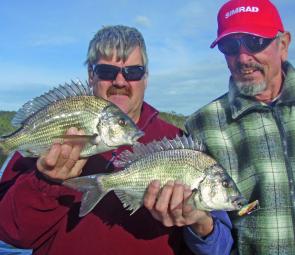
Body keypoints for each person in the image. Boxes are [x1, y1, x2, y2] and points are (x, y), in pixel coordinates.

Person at [0, 25, 229, 255]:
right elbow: (11, 234)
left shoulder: (178, 143)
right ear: (91, 75)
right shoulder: (46, 143)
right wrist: (45, 182)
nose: (120, 81)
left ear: (146, 78)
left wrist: (199, 223)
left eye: (133, 72)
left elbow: (219, 247)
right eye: (107, 71)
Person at [184, 0, 295, 254]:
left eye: (255, 41)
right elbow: (217, 242)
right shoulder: (202, 125)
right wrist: (201, 226)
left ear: (283, 44)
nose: (243, 57)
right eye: (230, 45)